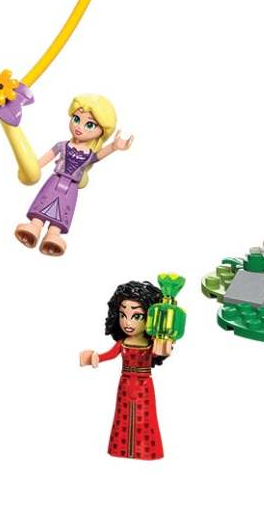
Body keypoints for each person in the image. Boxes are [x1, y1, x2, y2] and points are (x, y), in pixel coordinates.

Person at [13, 95, 132, 256]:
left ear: (102, 132)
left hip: (71, 188)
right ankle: (35, 226)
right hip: (54, 182)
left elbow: (98, 156)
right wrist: (30, 169)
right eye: (76, 119)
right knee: (43, 203)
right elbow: (41, 161)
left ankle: (53, 235)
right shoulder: (62, 146)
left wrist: (113, 147)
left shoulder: (89, 154)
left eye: (89, 124)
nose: (79, 127)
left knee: (63, 210)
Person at [78, 279, 172, 460]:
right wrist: (95, 357)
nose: (127, 322)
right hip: (125, 384)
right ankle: (120, 449)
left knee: (145, 416)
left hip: (144, 385)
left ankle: (146, 451)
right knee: (123, 415)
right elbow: (110, 354)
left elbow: (159, 352)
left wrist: (165, 345)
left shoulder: (151, 343)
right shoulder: (123, 342)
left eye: (136, 316)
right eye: (123, 315)